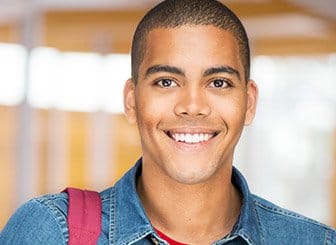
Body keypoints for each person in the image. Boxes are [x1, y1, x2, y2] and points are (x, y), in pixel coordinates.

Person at [1, 0, 335, 244]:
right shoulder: (51, 231)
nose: (192, 106)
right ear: (132, 100)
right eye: (166, 81)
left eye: (218, 82)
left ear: (248, 103)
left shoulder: (314, 242)